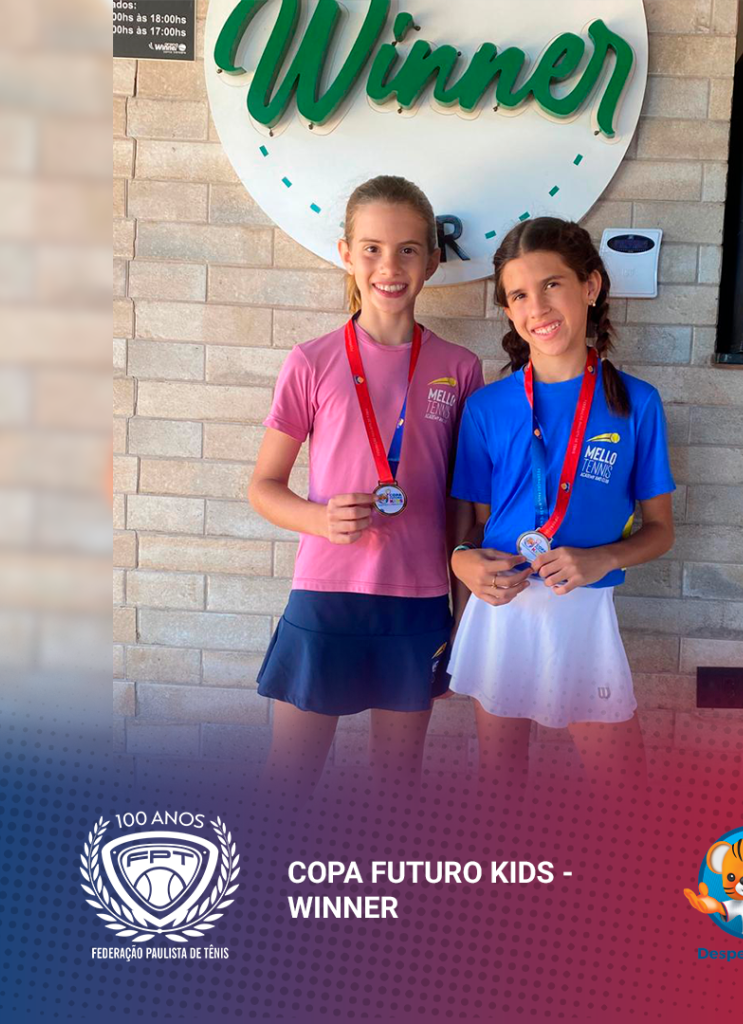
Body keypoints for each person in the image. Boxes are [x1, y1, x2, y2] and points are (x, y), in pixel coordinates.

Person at [248, 176, 482, 799]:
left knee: (396, 789)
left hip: (418, 602)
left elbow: (463, 508)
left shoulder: (460, 368)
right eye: (373, 248)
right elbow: (264, 487)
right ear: (346, 253)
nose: (390, 266)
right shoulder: (312, 361)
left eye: (408, 250)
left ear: (433, 261)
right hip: (326, 596)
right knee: (289, 783)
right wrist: (319, 519)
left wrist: (463, 612)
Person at [447, 217, 675, 797]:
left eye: (552, 284)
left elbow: (660, 530)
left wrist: (602, 559)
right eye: (519, 295)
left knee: (625, 792)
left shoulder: (638, 404)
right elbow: (468, 524)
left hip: (584, 614)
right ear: (508, 311)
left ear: (590, 286)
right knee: (501, 790)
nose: (538, 307)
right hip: (502, 611)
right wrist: (460, 561)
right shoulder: (486, 408)